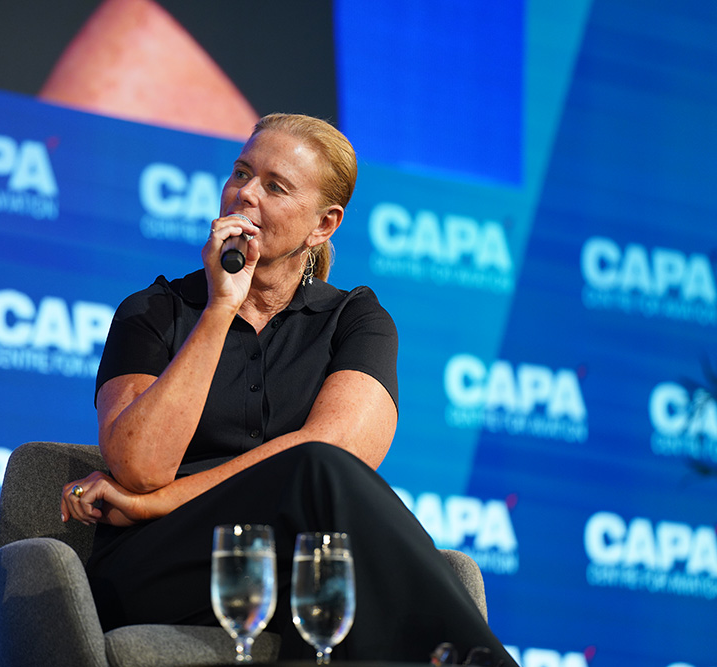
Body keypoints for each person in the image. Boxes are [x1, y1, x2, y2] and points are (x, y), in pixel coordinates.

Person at [60, 112, 518, 664]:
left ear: (323, 225)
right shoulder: (154, 312)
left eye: (275, 187)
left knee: (330, 524)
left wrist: (155, 503)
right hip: (165, 566)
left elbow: (345, 450)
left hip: (290, 570)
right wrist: (220, 306)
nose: (245, 194)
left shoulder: (355, 320)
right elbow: (138, 466)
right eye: (241, 173)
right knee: (318, 483)